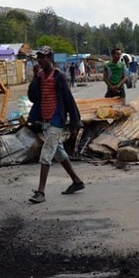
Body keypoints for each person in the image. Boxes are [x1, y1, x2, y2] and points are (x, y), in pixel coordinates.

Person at [27, 46, 85, 204]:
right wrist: (35, 77)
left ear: (50, 58)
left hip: (56, 119)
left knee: (46, 153)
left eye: (44, 57)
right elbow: (32, 97)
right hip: (45, 120)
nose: (40, 60)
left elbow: (68, 98)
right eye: (39, 57)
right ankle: (77, 181)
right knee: (59, 152)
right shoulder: (39, 76)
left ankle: (41, 192)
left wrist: (75, 122)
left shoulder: (59, 76)